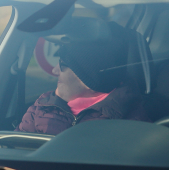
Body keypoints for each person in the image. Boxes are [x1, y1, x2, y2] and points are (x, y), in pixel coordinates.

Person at [16, 28, 150, 135]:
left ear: (88, 78)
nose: (56, 71)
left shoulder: (132, 123)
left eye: (62, 65)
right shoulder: (42, 106)